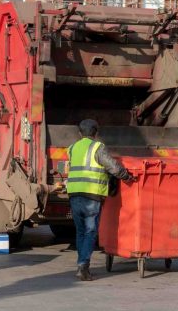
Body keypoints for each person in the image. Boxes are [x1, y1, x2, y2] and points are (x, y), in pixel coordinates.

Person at [66, 119, 133, 281]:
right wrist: (127, 176)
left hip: (74, 194)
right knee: (90, 232)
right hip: (92, 196)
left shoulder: (72, 148)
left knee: (81, 231)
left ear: (79, 134)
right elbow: (113, 167)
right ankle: (83, 266)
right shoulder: (97, 147)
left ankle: (81, 264)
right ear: (96, 133)